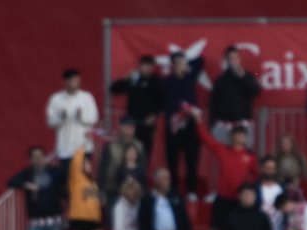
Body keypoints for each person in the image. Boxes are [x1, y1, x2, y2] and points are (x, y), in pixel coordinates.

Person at [8, 145, 67, 230]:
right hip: (36, 223)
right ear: (30, 160)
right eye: (35, 157)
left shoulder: (55, 172)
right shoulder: (28, 173)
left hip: (54, 221)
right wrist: (26, 185)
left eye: (41, 156)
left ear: (45, 157)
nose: (39, 159)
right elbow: (10, 182)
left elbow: (68, 181)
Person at [162, 51, 205, 199]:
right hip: (173, 125)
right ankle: (173, 190)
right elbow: (165, 101)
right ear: (173, 65)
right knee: (172, 160)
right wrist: (181, 106)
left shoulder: (190, 77)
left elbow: (200, 60)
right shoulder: (167, 81)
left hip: (190, 125)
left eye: (183, 63)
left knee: (191, 160)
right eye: (178, 63)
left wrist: (185, 64)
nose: (181, 65)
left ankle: (191, 191)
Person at [110, 55, 165, 158]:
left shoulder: (157, 81)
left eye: (148, 66)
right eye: (143, 65)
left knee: (145, 151)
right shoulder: (134, 78)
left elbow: (163, 102)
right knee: (128, 149)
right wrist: (125, 78)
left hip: (147, 121)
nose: (145, 68)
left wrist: (154, 115)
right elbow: (114, 89)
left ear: (153, 67)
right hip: (131, 121)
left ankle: (141, 172)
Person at [210, 45, 261, 145]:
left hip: (243, 124)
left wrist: (243, 78)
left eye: (236, 57)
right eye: (231, 58)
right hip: (225, 126)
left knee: (245, 155)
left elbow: (255, 92)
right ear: (227, 60)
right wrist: (212, 124)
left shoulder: (248, 75)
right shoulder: (221, 80)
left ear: (240, 59)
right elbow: (214, 103)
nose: (233, 60)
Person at [46, 68, 98, 163]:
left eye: (77, 80)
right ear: (66, 82)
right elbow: (50, 122)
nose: (76, 83)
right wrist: (61, 118)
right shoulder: (56, 99)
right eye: (73, 80)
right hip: (65, 148)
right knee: (68, 175)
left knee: (82, 176)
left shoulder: (87, 97)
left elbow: (94, 118)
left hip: (84, 146)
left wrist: (81, 116)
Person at [66, 144, 103, 230]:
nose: (89, 164)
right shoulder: (77, 178)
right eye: (86, 162)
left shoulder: (93, 182)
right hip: (79, 219)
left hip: (95, 220)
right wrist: (84, 145)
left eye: (89, 162)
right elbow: (76, 160)